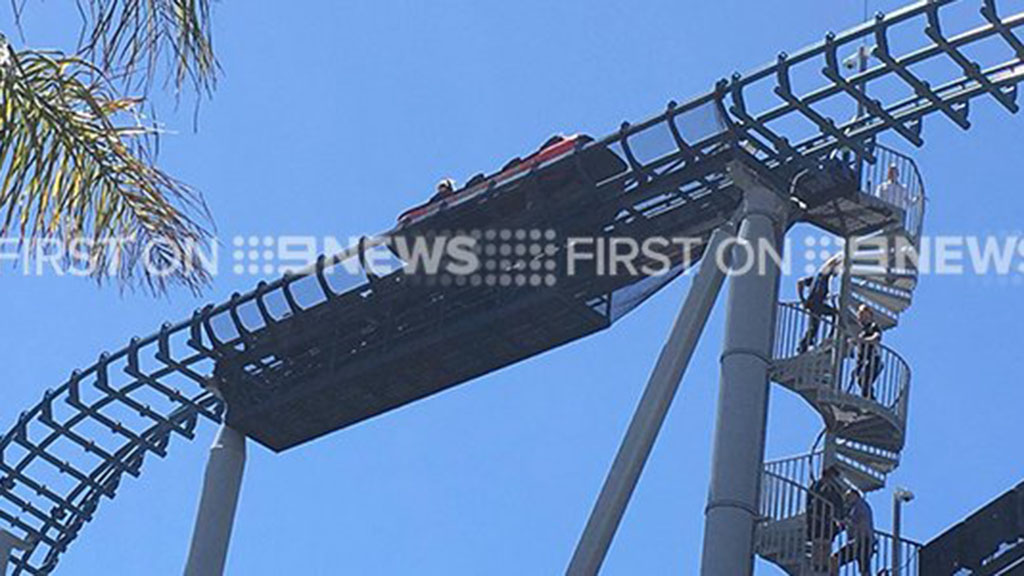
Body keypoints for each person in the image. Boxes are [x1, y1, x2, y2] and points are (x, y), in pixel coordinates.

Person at [797, 254, 841, 353]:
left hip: (812, 303)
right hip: (816, 303)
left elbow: (800, 282)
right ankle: (831, 337)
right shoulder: (823, 276)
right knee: (836, 314)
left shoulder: (817, 277)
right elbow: (800, 282)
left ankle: (803, 346)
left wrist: (803, 299)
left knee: (813, 328)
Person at [806, 466, 845, 572]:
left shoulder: (834, 490)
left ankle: (824, 565)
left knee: (826, 544)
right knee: (818, 543)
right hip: (817, 519)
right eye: (832, 476)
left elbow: (839, 504)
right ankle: (817, 564)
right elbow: (811, 500)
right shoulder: (817, 486)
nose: (833, 479)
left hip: (828, 521)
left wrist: (840, 519)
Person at [834, 490, 876, 576]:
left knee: (837, 558)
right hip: (862, 540)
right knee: (864, 566)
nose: (847, 499)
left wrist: (844, 523)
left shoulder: (859, 506)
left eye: (849, 496)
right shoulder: (859, 506)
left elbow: (858, 522)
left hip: (861, 540)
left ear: (855, 495)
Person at [853, 304, 883, 399]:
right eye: (859, 314)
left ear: (869, 315)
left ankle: (869, 401)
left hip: (873, 359)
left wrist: (865, 340)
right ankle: (869, 399)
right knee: (861, 381)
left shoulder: (873, 326)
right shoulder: (862, 332)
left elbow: (876, 337)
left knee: (864, 382)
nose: (860, 316)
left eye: (863, 313)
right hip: (864, 361)